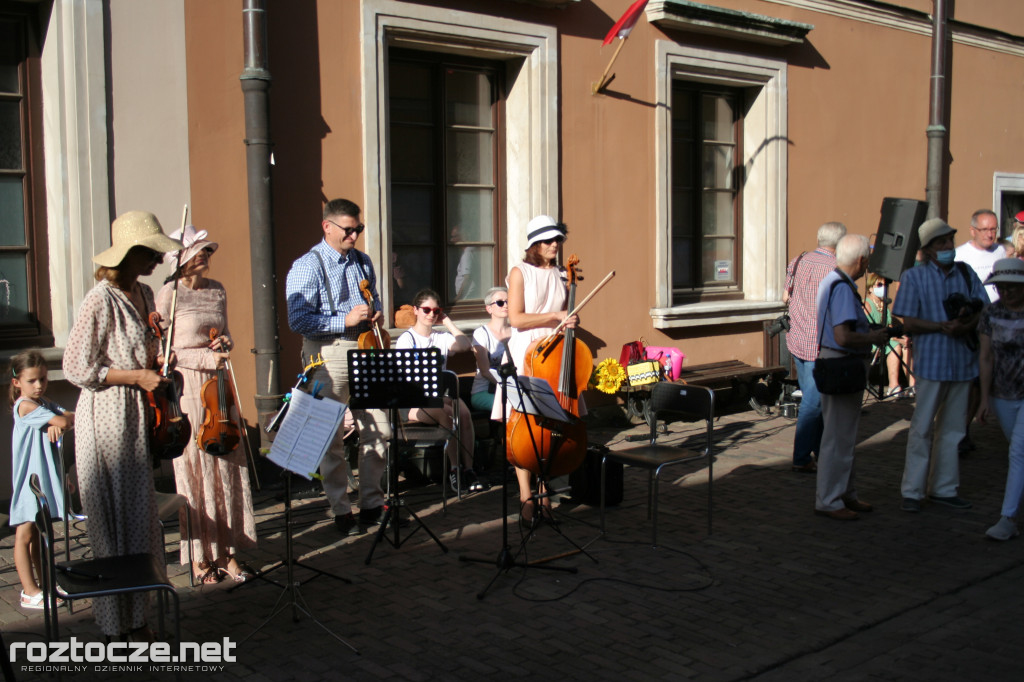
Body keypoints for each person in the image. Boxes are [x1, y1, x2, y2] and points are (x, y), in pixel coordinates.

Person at [62, 210, 182, 639]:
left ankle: (138, 616)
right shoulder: (100, 297)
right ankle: (116, 626)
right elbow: (76, 366)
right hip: (108, 415)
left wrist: (157, 356)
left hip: (137, 415)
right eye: (150, 252)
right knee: (112, 524)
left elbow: (144, 353)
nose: (155, 259)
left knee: (138, 521)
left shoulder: (145, 294)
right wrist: (136, 376)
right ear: (130, 253)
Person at [155, 225, 257, 584]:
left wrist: (224, 344)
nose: (205, 256)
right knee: (196, 468)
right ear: (179, 258)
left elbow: (224, 332)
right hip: (190, 386)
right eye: (198, 250)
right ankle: (200, 559)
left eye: (208, 251)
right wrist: (202, 360)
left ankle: (228, 553)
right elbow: (163, 352)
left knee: (227, 463)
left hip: (219, 384)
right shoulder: (168, 294)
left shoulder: (218, 290)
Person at [285, 198, 391, 536]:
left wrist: (376, 313)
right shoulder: (308, 265)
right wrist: (342, 319)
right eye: (348, 230)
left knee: (381, 430)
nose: (355, 236)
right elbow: (298, 319)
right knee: (329, 437)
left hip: (366, 348)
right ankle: (340, 509)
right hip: (329, 352)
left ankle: (372, 504)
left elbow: (374, 298)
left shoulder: (363, 261)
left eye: (358, 229)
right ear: (327, 226)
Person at [892, 217, 985, 513]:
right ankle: (913, 490)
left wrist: (965, 323)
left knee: (954, 429)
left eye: (949, 241)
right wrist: (940, 326)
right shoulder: (914, 277)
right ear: (929, 250)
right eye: (941, 243)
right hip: (932, 363)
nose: (948, 247)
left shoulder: (967, 274)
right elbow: (906, 320)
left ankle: (944, 488)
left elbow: (982, 309)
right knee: (921, 429)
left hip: (962, 363)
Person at [497, 215, 579, 523]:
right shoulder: (520, 272)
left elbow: (566, 314)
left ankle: (544, 490)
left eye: (557, 239)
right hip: (527, 351)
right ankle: (525, 496)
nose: (554, 245)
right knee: (524, 426)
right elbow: (516, 319)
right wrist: (555, 316)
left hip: (556, 352)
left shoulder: (563, 274)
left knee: (551, 424)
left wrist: (571, 317)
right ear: (534, 244)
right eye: (547, 240)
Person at [814, 235, 889, 521]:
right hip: (842, 363)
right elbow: (842, 335)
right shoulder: (843, 287)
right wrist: (871, 336)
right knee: (839, 437)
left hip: (834, 362)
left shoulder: (831, 281)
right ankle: (830, 500)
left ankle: (845, 493)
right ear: (861, 261)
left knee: (841, 435)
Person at [395, 288, 484, 492]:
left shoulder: (440, 337)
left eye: (436, 311)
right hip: (414, 401)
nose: (431, 314)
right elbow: (408, 380)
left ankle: (468, 469)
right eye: (426, 310)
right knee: (447, 414)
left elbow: (463, 345)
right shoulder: (406, 340)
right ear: (416, 310)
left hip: (439, 395)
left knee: (463, 412)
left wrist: (448, 322)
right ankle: (454, 470)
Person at [8, 350, 74, 609]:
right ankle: (29, 590)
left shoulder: (42, 402)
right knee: (24, 535)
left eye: (43, 379)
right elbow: (63, 419)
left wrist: (60, 422)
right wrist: (58, 422)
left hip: (41, 478)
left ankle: (46, 584)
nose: (38, 385)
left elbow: (69, 415)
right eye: (32, 381)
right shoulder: (25, 405)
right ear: (17, 383)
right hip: (29, 481)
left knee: (39, 534)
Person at [784, 222, 848, 473]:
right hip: (817, 343)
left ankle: (821, 452)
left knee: (816, 398)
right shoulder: (835, 268)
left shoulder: (798, 260)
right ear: (840, 243)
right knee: (814, 401)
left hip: (798, 338)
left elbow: (785, 296)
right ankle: (801, 457)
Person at [976, 259, 1024, 540]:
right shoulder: (990, 313)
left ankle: (1008, 519)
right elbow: (986, 357)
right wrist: (984, 399)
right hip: (1003, 394)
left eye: (1011, 287)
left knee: (1018, 452)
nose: (1006, 292)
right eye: (1000, 287)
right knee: (1018, 451)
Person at [863, 272, 914, 398]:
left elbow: (889, 329)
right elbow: (868, 329)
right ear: (870, 288)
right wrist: (898, 340)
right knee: (896, 345)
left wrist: (903, 339)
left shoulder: (884, 306)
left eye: (884, 285)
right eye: (879, 285)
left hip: (885, 340)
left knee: (907, 346)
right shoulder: (867, 305)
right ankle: (893, 385)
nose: (882, 288)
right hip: (872, 342)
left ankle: (913, 385)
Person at [470, 286, 511, 413]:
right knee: (511, 408)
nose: (505, 305)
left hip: (511, 390)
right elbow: (485, 371)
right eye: (500, 302)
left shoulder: (516, 331)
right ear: (489, 308)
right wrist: (509, 389)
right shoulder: (481, 333)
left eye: (508, 301)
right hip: (484, 391)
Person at [955, 209, 1002, 303]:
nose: (989, 235)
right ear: (972, 231)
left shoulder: (1001, 251)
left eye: (993, 229)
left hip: (1001, 312)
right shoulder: (959, 255)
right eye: (984, 229)